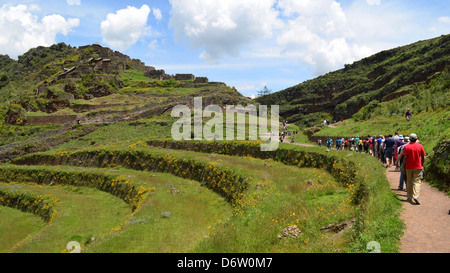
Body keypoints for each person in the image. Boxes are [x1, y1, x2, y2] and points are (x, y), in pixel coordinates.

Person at [401, 134, 425, 205]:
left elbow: (405, 157)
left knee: (409, 181)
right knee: (417, 182)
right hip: (418, 166)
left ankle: (409, 197)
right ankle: (416, 196)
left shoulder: (407, 147)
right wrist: (422, 165)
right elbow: (423, 157)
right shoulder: (420, 146)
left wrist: (403, 166)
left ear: (409, 139)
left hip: (409, 166)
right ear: (416, 138)